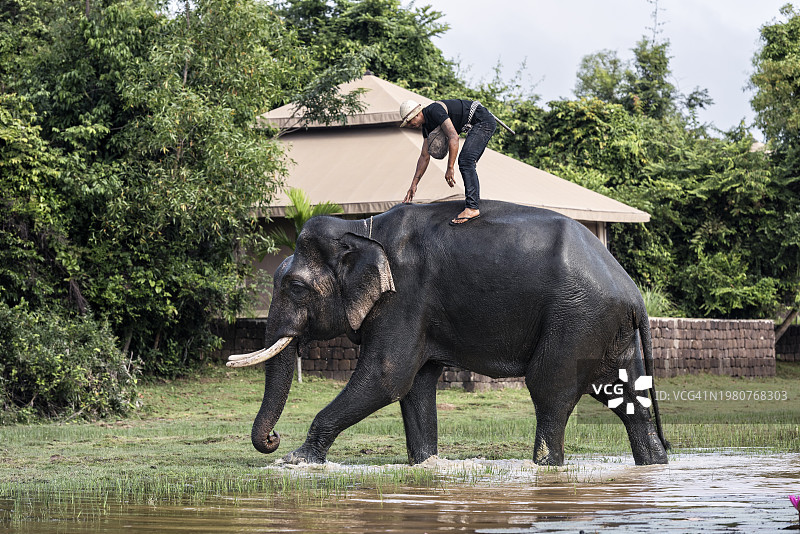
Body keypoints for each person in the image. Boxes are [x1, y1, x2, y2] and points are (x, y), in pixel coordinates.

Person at [399, 99, 497, 225]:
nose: (409, 125)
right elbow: (424, 156)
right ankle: (472, 204)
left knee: (466, 161)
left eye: (409, 121)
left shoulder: (434, 110)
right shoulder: (427, 127)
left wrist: (450, 168)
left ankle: (472, 208)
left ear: (417, 114)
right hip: (475, 124)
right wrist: (414, 184)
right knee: (467, 161)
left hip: (482, 121)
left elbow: (453, 136)